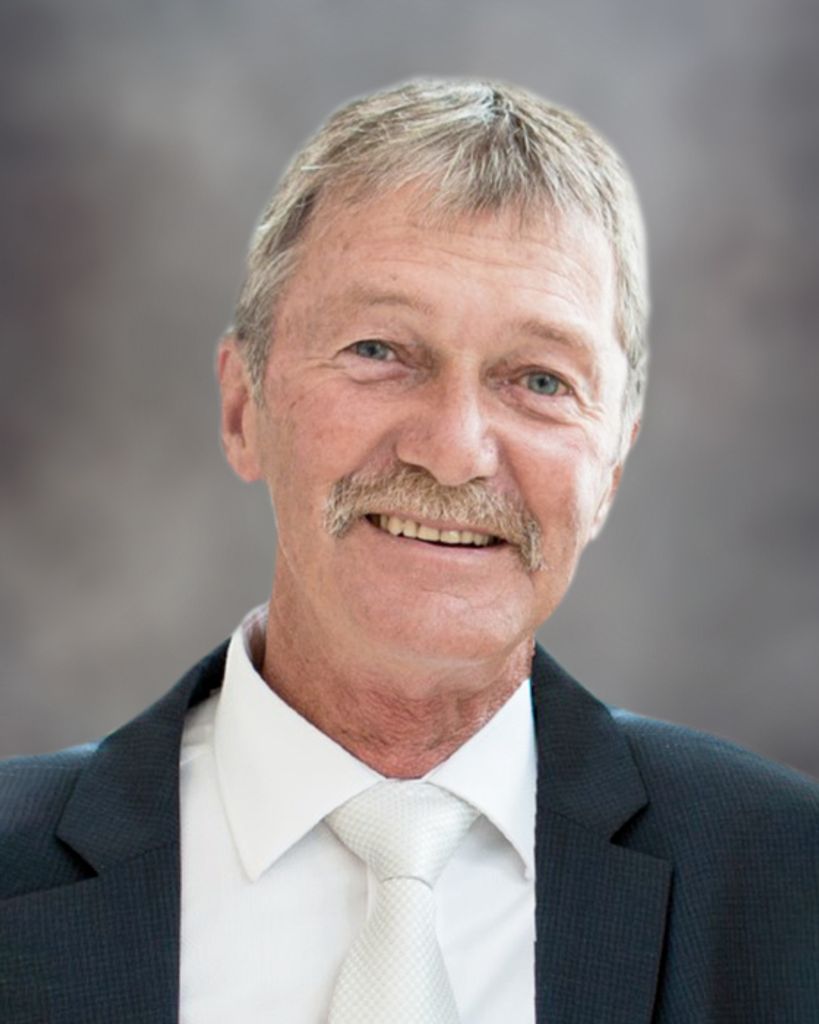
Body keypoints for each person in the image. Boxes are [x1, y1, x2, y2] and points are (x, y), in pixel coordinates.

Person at [1, 78, 817, 1024]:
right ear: (242, 407)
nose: (453, 449)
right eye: (379, 350)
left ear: (610, 468)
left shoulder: (788, 881)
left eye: (539, 379)